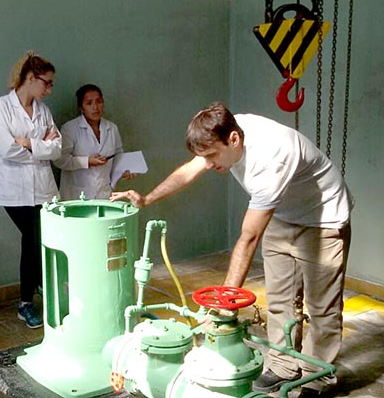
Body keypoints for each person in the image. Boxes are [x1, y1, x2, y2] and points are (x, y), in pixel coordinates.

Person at [111, 102, 352, 398]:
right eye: (205, 157)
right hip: (284, 213)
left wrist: (223, 303)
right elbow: (189, 170)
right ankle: (282, 366)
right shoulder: (224, 131)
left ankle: (317, 379)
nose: (209, 165)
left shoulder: (272, 158)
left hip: (322, 218)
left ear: (234, 140)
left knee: (321, 307)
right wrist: (147, 198)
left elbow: (248, 238)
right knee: (280, 298)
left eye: (212, 156)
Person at [0, 51, 61, 329]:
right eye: (47, 83)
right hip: (14, 190)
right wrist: (40, 143)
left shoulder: (44, 111)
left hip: (43, 189)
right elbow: (6, 149)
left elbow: (57, 149)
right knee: (32, 239)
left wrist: (29, 143)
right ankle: (25, 303)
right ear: (30, 78)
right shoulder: (0, 107)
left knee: (39, 240)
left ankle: (40, 289)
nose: (50, 89)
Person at [54, 84, 131, 200]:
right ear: (81, 107)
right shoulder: (70, 128)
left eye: (99, 102)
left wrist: (124, 170)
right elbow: (60, 160)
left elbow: (118, 155)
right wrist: (87, 161)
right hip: (77, 195)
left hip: (104, 193)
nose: (95, 107)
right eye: (89, 103)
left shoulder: (111, 128)